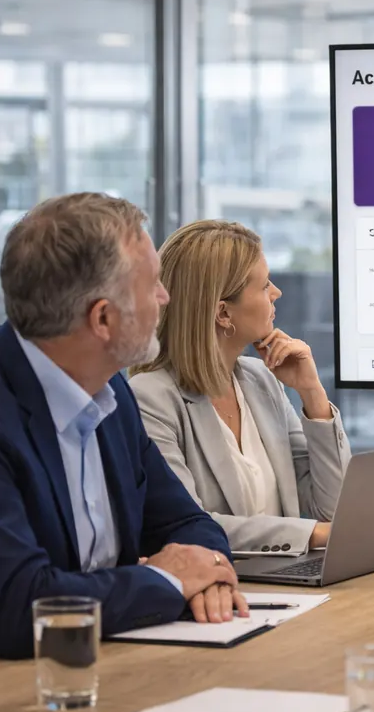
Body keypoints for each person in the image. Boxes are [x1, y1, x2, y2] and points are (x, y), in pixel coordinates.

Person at [0, 193, 249, 660]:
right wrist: (168, 580)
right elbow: (19, 608)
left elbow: (187, 522)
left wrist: (207, 575)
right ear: (103, 318)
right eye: (153, 285)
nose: (165, 298)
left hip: (115, 660)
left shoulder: (110, 389)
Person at [129, 220, 350, 555]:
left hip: (285, 576)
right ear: (223, 313)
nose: (276, 293)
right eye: (264, 285)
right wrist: (312, 535)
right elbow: (185, 524)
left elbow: (332, 509)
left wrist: (311, 393)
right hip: (225, 580)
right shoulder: (151, 398)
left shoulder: (261, 380)